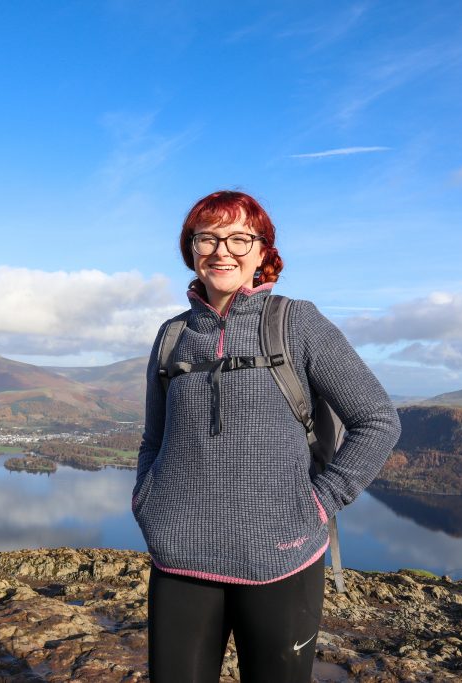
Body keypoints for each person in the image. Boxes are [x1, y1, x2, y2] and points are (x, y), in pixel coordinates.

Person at [133, 190, 401, 682]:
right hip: (179, 556)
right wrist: (147, 500)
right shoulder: (172, 335)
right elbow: (154, 438)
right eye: (207, 238)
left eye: (239, 238)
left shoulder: (295, 323)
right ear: (190, 249)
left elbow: (378, 419)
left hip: (282, 558)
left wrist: (318, 505)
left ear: (262, 252)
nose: (221, 250)